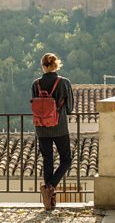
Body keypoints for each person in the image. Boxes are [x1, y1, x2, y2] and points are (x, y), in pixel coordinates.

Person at [31, 53, 74, 211]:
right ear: (57, 65)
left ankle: (49, 202)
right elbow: (70, 108)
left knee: (47, 159)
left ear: (43, 65)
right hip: (60, 127)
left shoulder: (36, 84)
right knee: (66, 160)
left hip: (41, 128)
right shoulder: (64, 82)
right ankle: (50, 186)